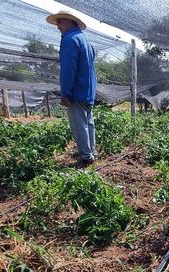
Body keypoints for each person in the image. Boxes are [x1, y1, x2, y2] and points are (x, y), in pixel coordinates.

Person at [46, 10, 97, 166]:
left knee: (78, 124)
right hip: (88, 89)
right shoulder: (85, 40)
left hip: (77, 90)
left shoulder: (70, 39)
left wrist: (66, 93)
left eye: (60, 22)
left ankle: (86, 157)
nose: (58, 27)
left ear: (70, 22)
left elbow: (68, 69)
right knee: (88, 122)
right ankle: (91, 151)